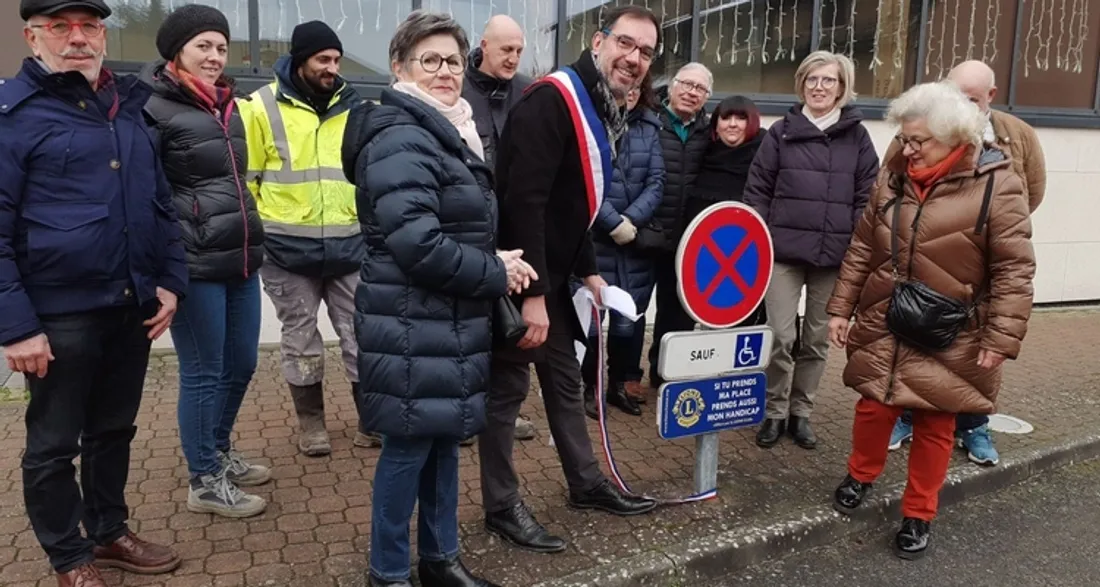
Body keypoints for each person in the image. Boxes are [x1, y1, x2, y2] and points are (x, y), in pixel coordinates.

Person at [342, 12, 535, 587]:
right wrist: (494, 273)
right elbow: (417, 245)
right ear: (400, 68)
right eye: (430, 60)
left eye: (452, 60)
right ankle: (388, 574)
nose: (445, 71)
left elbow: (446, 229)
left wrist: (491, 260)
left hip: (444, 320)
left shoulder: (448, 129)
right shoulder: (403, 135)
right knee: (406, 453)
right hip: (409, 322)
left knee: (444, 446)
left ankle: (440, 562)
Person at [1, 1, 189, 584]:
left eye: (89, 26)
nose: (77, 38)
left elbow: (160, 203)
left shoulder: (127, 106)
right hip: (59, 314)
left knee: (113, 429)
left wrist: (169, 280)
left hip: (130, 305)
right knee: (54, 444)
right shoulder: (14, 116)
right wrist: (15, 326)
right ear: (33, 37)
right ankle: (69, 556)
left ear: (103, 35)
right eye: (61, 27)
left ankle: (108, 532)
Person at [826, 80, 1036, 560]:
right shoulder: (892, 175)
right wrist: (840, 307)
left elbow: (1014, 268)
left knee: (935, 422)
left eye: (919, 140)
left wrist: (1000, 336)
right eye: (904, 138)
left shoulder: (998, 183)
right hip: (885, 315)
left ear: (955, 136)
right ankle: (861, 474)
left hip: (954, 324)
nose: (908, 148)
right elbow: (862, 246)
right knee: (874, 406)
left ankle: (919, 511)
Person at [480, 4, 661, 555]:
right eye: (626, 45)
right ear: (598, 40)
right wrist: (533, 294)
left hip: (558, 277)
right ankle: (501, 505)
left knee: (564, 384)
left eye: (646, 53)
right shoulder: (553, 101)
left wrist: (589, 273)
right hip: (524, 277)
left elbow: (576, 202)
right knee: (506, 394)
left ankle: (585, 483)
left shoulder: (601, 105)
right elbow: (525, 203)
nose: (634, 60)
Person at [885, 59, 1048, 465]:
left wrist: (991, 233)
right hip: (924, 267)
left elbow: (1033, 191)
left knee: (971, 359)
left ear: (990, 97)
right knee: (916, 348)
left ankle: (975, 428)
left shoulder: (1017, 135)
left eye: (972, 97)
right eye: (955, 94)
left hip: (978, 273)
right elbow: (890, 184)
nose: (962, 103)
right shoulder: (916, 133)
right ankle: (907, 415)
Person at [142, 4, 268, 519]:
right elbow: (145, 196)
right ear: (178, 52)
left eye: (221, 47)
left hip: (240, 257)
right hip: (192, 264)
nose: (215, 57)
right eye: (203, 47)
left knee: (242, 364)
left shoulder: (230, 107)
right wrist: (160, 270)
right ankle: (204, 479)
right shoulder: (153, 110)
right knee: (204, 372)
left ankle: (217, 450)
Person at [239, 20, 375, 456]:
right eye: (323, 59)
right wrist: (263, 232)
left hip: (348, 248)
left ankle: (369, 420)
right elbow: (247, 181)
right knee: (300, 339)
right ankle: (312, 425)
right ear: (300, 61)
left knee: (361, 335)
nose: (331, 67)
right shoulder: (259, 107)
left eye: (336, 59)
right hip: (285, 251)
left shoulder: (355, 107)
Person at [743, 50, 880, 450]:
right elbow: (758, 191)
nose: (820, 87)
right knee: (781, 335)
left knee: (817, 340)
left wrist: (855, 243)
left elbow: (866, 198)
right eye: (812, 79)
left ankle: (801, 412)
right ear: (802, 83)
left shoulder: (857, 137)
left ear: (842, 88)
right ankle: (775, 411)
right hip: (782, 254)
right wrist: (762, 237)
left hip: (833, 258)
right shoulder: (780, 132)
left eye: (829, 80)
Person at [462, 14, 537, 442]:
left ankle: (504, 413)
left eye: (519, 51)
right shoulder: (459, 89)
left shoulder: (527, 91)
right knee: (473, 330)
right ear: (484, 46)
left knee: (511, 332)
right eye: (506, 49)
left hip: (514, 228)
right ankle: (469, 415)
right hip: (471, 226)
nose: (513, 58)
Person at [580, 84, 665, 418]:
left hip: (633, 244)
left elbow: (657, 181)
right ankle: (590, 388)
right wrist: (612, 223)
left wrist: (631, 221)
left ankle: (617, 386)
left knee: (626, 322)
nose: (628, 94)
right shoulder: (589, 123)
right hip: (596, 240)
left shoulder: (649, 127)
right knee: (591, 323)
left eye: (635, 89)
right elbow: (583, 178)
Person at [646, 63, 713, 391]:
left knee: (677, 314)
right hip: (647, 232)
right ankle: (625, 378)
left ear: (707, 97)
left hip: (688, 239)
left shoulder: (710, 131)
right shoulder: (648, 120)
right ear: (671, 87)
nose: (691, 92)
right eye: (686, 84)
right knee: (633, 311)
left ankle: (664, 373)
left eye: (700, 89)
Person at [682, 95, 768, 326]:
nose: (732, 124)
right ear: (716, 123)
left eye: (741, 118)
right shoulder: (701, 153)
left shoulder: (766, 156)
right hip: (699, 260)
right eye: (726, 117)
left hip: (746, 264)